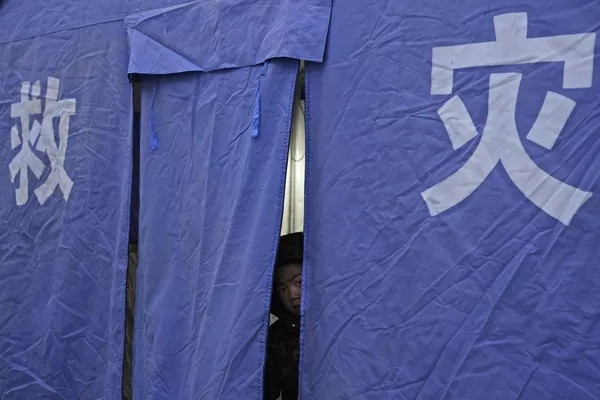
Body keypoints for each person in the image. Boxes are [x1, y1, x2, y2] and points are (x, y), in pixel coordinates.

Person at [264, 232, 303, 400]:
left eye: (299, 282)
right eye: (282, 288)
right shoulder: (275, 337)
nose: (292, 295)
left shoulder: (342, 322)